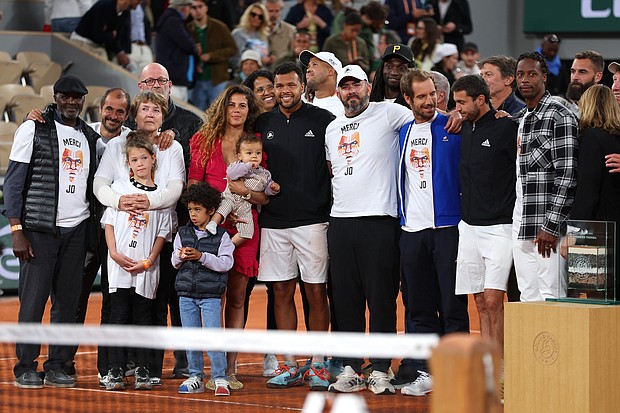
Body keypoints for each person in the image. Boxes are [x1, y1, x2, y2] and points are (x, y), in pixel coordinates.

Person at [325, 65, 413, 396]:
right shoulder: (332, 129)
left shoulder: (389, 113)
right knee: (345, 300)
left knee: (381, 299)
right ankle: (348, 367)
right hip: (341, 221)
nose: (351, 91)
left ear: (367, 86)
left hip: (380, 219)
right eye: (345, 87)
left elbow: (424, 122)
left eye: (356, 85)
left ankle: (380, 368)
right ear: (338, 93)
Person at [5, 76, 98, 389]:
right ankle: (25, 367)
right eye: (66, 96)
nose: (72, 102)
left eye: (77, 97)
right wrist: (17, 229)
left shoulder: (89, 135)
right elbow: (13, 184)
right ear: (56, 97)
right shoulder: (33, 128)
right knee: (33, 302)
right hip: (40, 231)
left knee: (67, 304)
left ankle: (58, 364)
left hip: (77, 230)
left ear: (84, 101)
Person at [254, 62, 335, 391]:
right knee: (281, 291)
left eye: (291, 84)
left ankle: (318, 362)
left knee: (316, 292)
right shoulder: (262, 123)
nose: (284, 91)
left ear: (303, 86)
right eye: (279, 85)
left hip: (314, 222)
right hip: (274, 222)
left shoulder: (323, 120)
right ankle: (288, 364)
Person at [95, 91, 186, 385]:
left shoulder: (172, 147)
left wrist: (149, 201)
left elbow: (175, 189)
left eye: (156, 110)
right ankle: (113, 368)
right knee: (115, 308)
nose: (149, 114)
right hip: (120, 243)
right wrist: (120, 202)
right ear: (135, 114)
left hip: (156, 242)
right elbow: (100, 185)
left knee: (154, 307)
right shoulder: (116, 146)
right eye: (144, 109)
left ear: (163, 116)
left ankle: (149, 369)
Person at [395, 69, 468, 395]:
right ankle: (426, 372)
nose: (429, 101)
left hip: (448, 229)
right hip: (411, 231)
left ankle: (456, 373)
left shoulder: (455, 125)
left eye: (433, 94)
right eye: (421, 96)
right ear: (407, 99)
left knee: (452, 306)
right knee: (419, 307)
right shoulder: (401, 131)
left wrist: (459, 113)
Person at [188, 84, 266, 390]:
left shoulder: (256, 143)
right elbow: (194, 187)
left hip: (245, 229)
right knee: (211, 298)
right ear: (223, 107)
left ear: (249, 111)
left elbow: (264, 196)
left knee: (236, 298)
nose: (237, 110)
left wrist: (243, 196)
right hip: (212, 228)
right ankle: (211, 368)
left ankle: (229, 369)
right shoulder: (202, 140)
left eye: (243, 106)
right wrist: (212, 214)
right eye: (232, 105)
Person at [452, 74, 517, 363]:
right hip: (468, 227)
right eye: (455, 103)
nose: (458, 108)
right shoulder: (464, 126)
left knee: (493, 299)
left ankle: (504, 369)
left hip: (500, 227)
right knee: (479, 300)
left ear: (481, 100)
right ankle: (490, 367)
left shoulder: (507, 126)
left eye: (462, 103)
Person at [103, 131, 171, 391]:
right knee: (118, 315)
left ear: (153, 159)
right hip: (118, 265)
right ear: (128, 164)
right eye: (134, 160)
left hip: (146, 268)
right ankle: (115, 370)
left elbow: (162, 235)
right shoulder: (119, 190)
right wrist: (114, 253)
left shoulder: (161, 197)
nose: (140, 163)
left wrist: (149, 261)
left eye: (144, 158)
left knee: (144, 317)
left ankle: (143, 369)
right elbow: (108, 224)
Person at [512, 52, 578, 302]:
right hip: (521, 220)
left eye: (532, 74)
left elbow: (567, 174)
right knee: (527, 295)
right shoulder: (522, 117)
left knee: (552, 295)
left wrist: (551, 225)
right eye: (520, 75)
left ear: (545, 77)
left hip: (547, 225)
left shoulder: (559, 114)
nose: (525, 80)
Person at [173, 182, 235, 396]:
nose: (193, 214)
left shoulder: (223, 236)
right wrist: (180, 256)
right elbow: (174, 261)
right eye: (190, 209)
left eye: (197, 209)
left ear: (210, 210)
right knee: (190, 336)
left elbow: (226, 264)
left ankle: (219, 378)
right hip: (185, 295)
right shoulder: (182, 233)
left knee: (213, 336)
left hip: (210, 296)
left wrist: (202, 257)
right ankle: (195, 376)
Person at [567, 85, 620, 276]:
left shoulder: (591, 137)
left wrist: (573, 232)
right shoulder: (615, 138)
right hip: (615, 228)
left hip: (600, 232)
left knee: (596, 295)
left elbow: (588, 191)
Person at [206, 133, 280, 246]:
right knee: (224, 208)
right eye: (249, 153)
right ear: (240, 156)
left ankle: (228, 246)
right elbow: (231, 173)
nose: (254, 156)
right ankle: (213, 223)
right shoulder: (237, 166)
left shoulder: (265, 173)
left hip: (246, 205)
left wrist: (273, 188)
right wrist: (248, 166)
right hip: (231, 197)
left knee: (247, 232)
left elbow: (266, 191)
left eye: (258, 153)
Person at [186, 0, 238, 111]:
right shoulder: (187, 29)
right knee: (196, 115)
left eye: (200, 6)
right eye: (194, 8)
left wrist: (211, 56)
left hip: (217, 79)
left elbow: (232, 49)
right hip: (196, 80)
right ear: (190, 10)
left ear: (206, 8)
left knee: (218, 113)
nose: (197, 10)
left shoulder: (219, 27)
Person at [155, 0, 198, 102]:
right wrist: (195, 47)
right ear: (184, 7)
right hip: (174, 79)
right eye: (190, 7)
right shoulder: (173, 21)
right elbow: (188, 44)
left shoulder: (168, 19)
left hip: (173, 78)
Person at [70, 0, 134, 67]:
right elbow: (97, 35)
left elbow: (116, 34)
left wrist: (120, 51)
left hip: (98, 46)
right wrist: (111, 34)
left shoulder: (124, 12)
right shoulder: (105, 5)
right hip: (83, 41)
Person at [299, 50, 344, 116]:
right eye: (308, 66)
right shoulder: (300, 102)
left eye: (314, 64)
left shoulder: (345, 105)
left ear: (330, 71)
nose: (308, 70)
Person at [369, 43, 415, 107]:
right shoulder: (369, 101)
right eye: (389, 66)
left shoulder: (414, 105)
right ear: (382, 68)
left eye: (401, 68)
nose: (394, 72)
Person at [231, 3, 272, 71]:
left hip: (262, 73)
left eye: (260, 16)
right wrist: (254, 63)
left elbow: (265, 54)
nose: (256, 18)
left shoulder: (264, 35)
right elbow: (233, 58)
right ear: (247, 15)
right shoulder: (238, 34)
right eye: (253, 15)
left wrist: (268, 60)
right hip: (243, 74)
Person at [264, 0, 296, 66]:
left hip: (282, 68)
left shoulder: (291, 30)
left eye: (277, 11)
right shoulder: (257, 29)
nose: (274, 14)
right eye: (270, 11)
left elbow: (293, 53)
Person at [431, 43, 459, 108]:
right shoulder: (435, 74)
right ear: (445, 58)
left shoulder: (451, 73)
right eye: (454, 58)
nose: (456, 62)